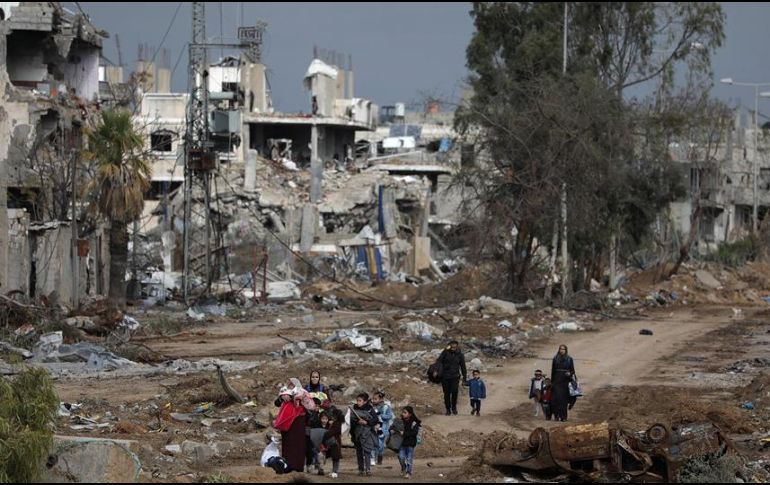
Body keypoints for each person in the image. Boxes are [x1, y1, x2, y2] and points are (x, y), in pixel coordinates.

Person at [272, 386, 307, 472]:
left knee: (298, 443)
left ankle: (298, 466)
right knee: (288, 442)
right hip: (287, 420)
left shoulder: (303, 391)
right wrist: (282, 397)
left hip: (299, 420)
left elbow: (309, 403)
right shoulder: (285, 390)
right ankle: (287, 465)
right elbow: (277, 403)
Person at [350, 393, 378, 476]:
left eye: (360, 401)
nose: (358, 402)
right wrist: (357, 422)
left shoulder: (369, 409)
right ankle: (361, 469)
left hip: (367, 433)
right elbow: (351, 420)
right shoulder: (354, 409)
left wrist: (366, 422)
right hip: (357, 433)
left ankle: (368, 469)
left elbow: (375, 419)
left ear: (365, 401)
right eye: (357, 400)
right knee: (359, 452)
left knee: (367, 451)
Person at [437, 340, 467, 415]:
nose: (453, 346)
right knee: (446, 393)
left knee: (454, 392)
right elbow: (439, 361)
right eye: (452, 345)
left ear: (457, 346)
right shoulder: (445, 353)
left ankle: (454, 407)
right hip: (445, 376)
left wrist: (464, 378)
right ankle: (448, 409)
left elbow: (463, 367)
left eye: (455, 345)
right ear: (449, 345)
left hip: (455, 376)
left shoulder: (460, 354)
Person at [550, 344, 576, 422]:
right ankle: (556, 416)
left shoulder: (569, 359)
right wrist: (552, 382)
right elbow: (553, 371)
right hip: (557, 380)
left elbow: (572, 370)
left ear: (566, 350)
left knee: (563, 400)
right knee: (556, 400)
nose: (562, 350)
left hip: (565, 381)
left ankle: (563, 417)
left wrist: (569, 374)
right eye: (560, 349)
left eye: (563, 349)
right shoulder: (555, 358)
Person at [397, 406, 422, 479]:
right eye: (403, 412)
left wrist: (404, 433)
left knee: (409, 459)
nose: (403, 414)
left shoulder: (414, 423)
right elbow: (393, 426)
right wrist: (391, 430)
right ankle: (403, 468)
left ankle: (408, 472)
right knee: (401, 457)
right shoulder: (400, 421)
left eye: (405, 412)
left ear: (410, 414)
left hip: (410, 443)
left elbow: (414, 432)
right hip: (402, 443)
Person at [371, 391, 394, 465]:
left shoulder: (386, 407)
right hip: (373, 428)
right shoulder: (371, 407)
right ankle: (372, 459)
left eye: (375, 399)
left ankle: (380, 456)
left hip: (382, 429)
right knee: (373, 444)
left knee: (380, 445)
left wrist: (381, 416)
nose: (373, 400)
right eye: (373, 399)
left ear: (381, 399)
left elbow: (390, 416)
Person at [320, 407, 344, 479]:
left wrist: (324, 434)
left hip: (335, 442)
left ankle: (335, 471)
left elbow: (330, 433)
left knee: (336, 457)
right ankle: (334, 471)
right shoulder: (336, 423)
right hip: (334, 442)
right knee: (334, 457)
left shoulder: (337, 424)